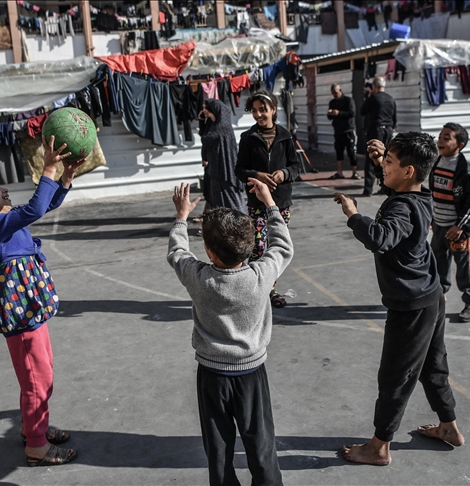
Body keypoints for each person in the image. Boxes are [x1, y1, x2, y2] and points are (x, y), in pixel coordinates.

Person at [332, 132, 464, 466]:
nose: (383, 167)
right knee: (433, 366)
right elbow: (398, 189)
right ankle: (449, 427)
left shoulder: (402, 208)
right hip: (431, 297)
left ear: (408, 171)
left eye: (389, 162)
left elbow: (380, 237)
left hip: (411, 306)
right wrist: (382, 159)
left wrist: (353, 214)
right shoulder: (420, 195)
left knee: (395, 376)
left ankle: (379, 447)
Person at [0, 136, 85, 467]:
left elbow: (44, 206)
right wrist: (49, 168)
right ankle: (36, 448)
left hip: (31, 313)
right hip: (22, 318)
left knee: (42, 375)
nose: (4, 189)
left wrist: (65, 177)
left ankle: (33, 429)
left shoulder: (5, 220)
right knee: (36, 381)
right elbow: (36, 208)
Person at [167, 179, 293, 486]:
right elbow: (282, 247)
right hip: (251, 375)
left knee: (219, 449)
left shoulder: (199, 278)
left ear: (210, 252)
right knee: (261, 445)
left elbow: (177, 252)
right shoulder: (260, 276)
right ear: (249, 247)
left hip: (212, 376)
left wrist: (181, 217)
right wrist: (270, 204)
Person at [235, 90, 301, 308]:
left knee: (276, 247)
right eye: (254, 111)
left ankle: (269, 289)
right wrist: (257, 175)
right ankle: (257, 289)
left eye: (263, 110)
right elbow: (239, 170)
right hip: (257, 204)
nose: (258, 115)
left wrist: (284, 173)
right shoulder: (248, 138)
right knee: (258, 247)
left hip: (281, 203)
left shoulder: (286, 136)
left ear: (273, 109)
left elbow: (295, 166)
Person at [430, 123, 470, 322]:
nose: (440, 141)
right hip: (439, 226)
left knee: (465, 267)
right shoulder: (437, 163)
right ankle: (439, 297)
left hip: (457, 230)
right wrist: (432, 218)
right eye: (440, 136)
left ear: (460, 145)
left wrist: (460, 226)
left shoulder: (464, 170)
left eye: (447, 138)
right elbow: (433, 194)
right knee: (438, 263)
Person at [200, 98, 246, 211]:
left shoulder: (221, 127)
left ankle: (240, 219)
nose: (203, 110)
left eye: (206, 108)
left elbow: (207, 140)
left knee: (230, 198)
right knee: (217, 199)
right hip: (216, 167)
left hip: (224, 169)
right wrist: (202, 121)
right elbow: (205, 136)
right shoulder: (213, 124)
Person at [360, 76, 397, 197]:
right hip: (388, 130)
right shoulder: (391, 99)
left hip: (377, 130)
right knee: (387, 158)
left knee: (373, 156)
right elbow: (394, 118)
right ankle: (385, 186)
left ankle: (368, 189)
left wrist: (368, 96)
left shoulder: (373, 98)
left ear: (374, 86)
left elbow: (362, 111)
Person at [327, 84, 360, 180]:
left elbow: (352, 113)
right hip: (338, 131)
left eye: (336, 93)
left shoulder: (348, 100)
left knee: (351, 151)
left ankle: (354, 172)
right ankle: (339, 172)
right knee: (339, 151)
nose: (334, 95)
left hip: (348, 130)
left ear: (340, 91)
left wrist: (339, 113)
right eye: (333, 93)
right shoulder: (332, 102)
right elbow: (329, 117)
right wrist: (331, 113)